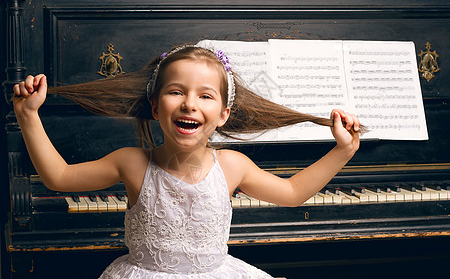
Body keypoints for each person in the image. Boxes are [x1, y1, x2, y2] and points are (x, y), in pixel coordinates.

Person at [12, 44, 361, 278]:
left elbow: (293, 191)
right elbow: (58, 176)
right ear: (155, 106)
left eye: (205, 95)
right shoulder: (132, 162)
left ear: (223, 114)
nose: (189, 104)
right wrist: (28, 116)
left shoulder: (232, 165)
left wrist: (343, 150)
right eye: (176, 91)